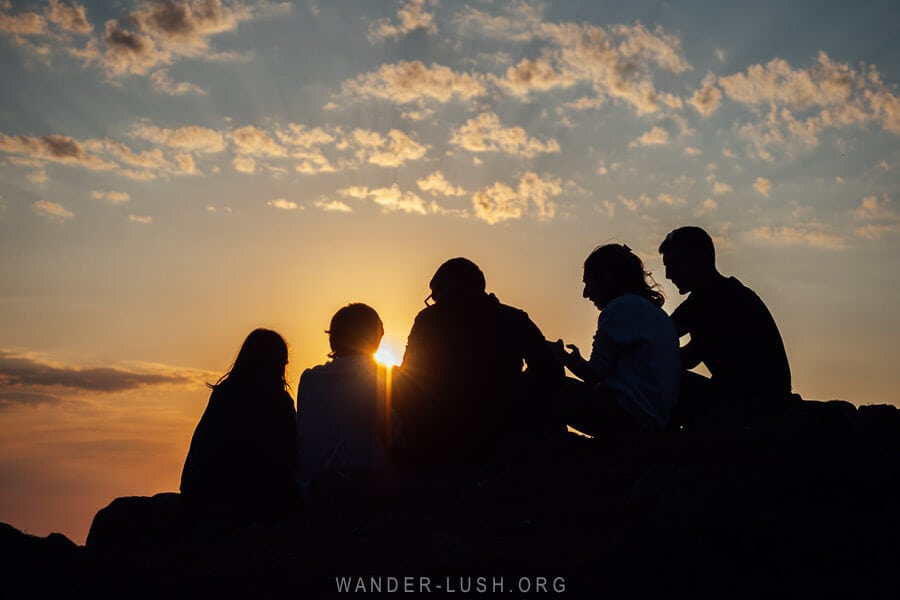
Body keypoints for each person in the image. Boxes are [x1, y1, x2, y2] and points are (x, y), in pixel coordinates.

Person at [394, 258, 563, 466]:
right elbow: (550, 373)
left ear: (447, 288)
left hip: (441, 434)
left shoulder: (428, 320)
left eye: (435, 294)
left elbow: (407, 378)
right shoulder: (513, 318)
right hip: (506, 426)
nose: (434, 301)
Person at [658, 226, 792, 421]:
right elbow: (685, 351)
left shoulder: (710, 301)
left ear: (700, 260)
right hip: (762, 398)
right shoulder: (727, 293)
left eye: (675, 265)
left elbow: (659, 337)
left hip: (751, 403)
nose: (669, 275)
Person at [551, 244, 680, 434]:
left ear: (607, 278)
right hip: (655, 420)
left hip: (628, 418)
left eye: (589, 283)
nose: (586, 294)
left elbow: (593, 374)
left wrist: (561, 356)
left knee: (548, 388)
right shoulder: (655, 312)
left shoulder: (618, 309)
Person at [180, 328, 297, 517]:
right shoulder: (279, 402)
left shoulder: (224, 393)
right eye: (283, 363)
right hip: (251, 502)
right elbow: (291, 455)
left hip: (205, 495)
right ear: (276, 364)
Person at [295, 303, 390, 483]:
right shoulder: (385, 378)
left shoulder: (309, 379)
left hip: (314, 488)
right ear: (374, 338)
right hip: (368, 487)